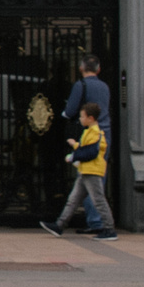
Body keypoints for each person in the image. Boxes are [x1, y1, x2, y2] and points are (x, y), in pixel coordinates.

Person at [41, 101, 116, 240]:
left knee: (98, 201)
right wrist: (75, 145)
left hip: (92, 171)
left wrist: (74, 155)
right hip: (86, 171)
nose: (80, 119)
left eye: (82, 116)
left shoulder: (94, 132)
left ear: (90, 118)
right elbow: (86, 148)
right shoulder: (91, 132)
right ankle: (59, 225)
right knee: (73, 200)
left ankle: (109, 230)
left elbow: (89, 152)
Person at [60, 56, 112, 231]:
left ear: (81, 69)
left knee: (89, 175)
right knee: (98, 174)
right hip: (105, 133)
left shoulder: (80, 85)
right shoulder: (104, 86)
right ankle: (96, 220)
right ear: (98, 70)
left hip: (89, 134)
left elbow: (70, 111)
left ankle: (96, 221)